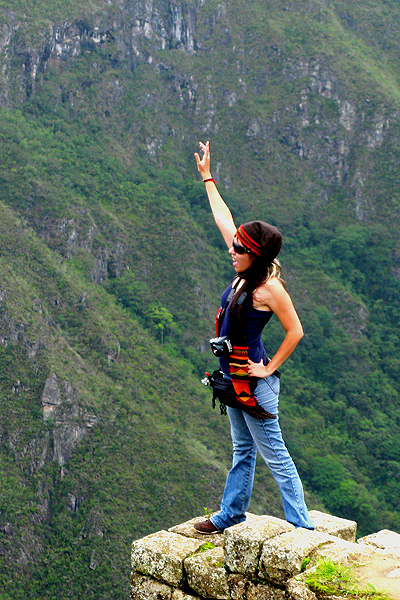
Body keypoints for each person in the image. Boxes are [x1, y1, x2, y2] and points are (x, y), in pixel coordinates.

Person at [193, 140, 314, 533]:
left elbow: (295, 330)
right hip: (233, 379)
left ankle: (303, 528)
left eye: (239, 249)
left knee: (275, 455)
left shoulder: (268, 288)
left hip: (254, 385)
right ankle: (230, 515)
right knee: (241, 450)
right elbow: (223, 218)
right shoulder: (246, 272)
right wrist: (208, 177)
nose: (232, 250)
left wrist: (268, 369)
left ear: (255, 255)